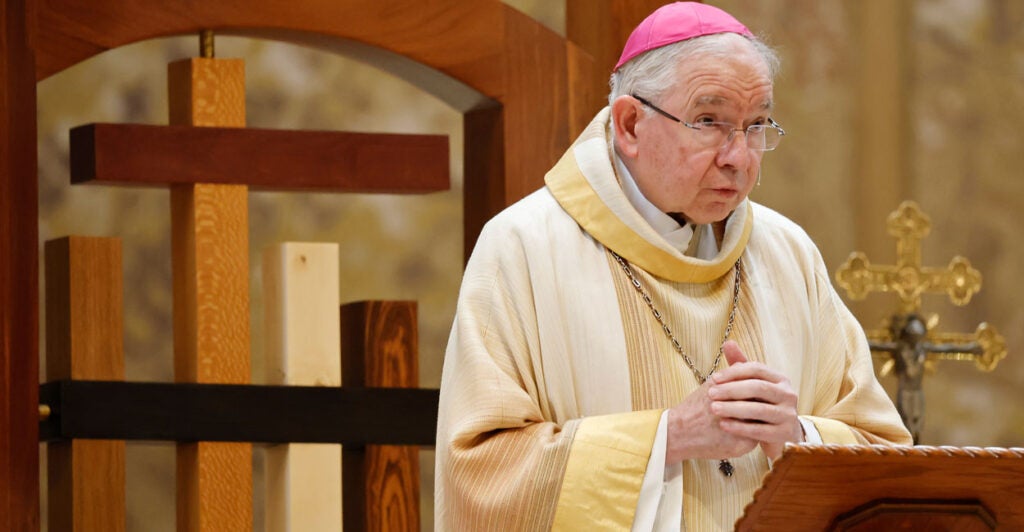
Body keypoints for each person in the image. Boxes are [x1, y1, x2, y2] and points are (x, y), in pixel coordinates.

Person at [435, 2, 913, 530]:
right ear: (631, 125)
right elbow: (479, 472)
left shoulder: (787, 253)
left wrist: (798, 439)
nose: (738, 156)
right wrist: (669, 438)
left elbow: (881, 453)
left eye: (756, 126)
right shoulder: (524, 246)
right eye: (710, 122)